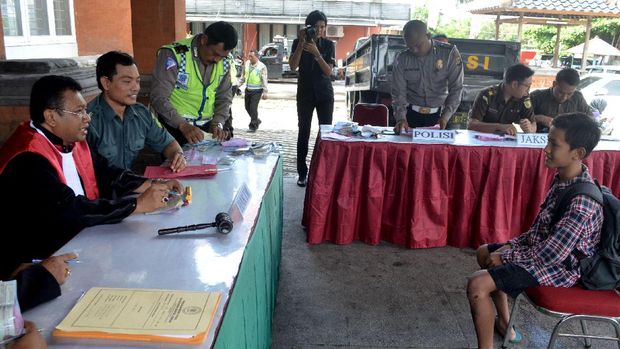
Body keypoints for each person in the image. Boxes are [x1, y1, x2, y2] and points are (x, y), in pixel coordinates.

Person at [0, 75, 183, 295]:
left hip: (79, 244)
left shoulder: (70, 142)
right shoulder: (27, 157)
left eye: (85, 111)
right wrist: (136, 205)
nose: (87, 118)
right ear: (51, 117)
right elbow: (70, 210)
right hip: (37, 265)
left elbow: (107, 173)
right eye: (78, 112)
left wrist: (152, 184)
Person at [466, 112, 603, 349]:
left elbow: (553, 255)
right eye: (547, 141)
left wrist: (507, 255)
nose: (546, 149)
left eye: (554, 144)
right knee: (483, 252)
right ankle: (505, 324)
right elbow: (538, 231)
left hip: (562, 270)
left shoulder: (582, 201)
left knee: (478, 285)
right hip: (544, 255)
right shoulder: (562, 180)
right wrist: (511, 247)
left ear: (577, 153)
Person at [86, 51, 186, 172]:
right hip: (103, 188)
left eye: (137, 81)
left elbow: (168, 143)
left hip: (131, 184)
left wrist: (178, 156)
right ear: (106, 83)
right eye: (127, 81)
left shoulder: (141, 114)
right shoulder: (87, 121)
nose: (135, 88)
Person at [151, 21, 238, 144]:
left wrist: (217, 123)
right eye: (215, 54)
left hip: (206, 128)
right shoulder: (174, 55)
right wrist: (182, 124)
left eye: (222, 57)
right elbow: (159, 97)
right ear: (204, 40)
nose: (217, 60)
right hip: (174, 127)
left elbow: (224, 98)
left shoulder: (224, 62)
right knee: (179, 162)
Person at [392, 20, 464, 134]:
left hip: (441, 117)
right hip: (410, 116)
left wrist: (445, 116)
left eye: (418, 45)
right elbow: (398, 92)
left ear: (428, 36)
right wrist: (401, 118)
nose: (414, 50)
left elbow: (456, 88)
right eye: (410, 47)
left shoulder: (449, 54)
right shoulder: (402, 59)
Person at [289, 10, 335, 187]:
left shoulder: (329, 45)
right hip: (305, 94)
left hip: (325, 94)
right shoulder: (297, 42)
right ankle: (302, 173)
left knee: (326, 134)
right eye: (315, 27)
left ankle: (324, 172)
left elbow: (328, 71)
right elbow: (293, 67)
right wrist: (301, 43)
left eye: (322, 27)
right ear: (308, 27)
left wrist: (317, 53)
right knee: (304, 132)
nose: (319, 31)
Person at [468, 63, 537, 135]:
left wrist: (529, 129)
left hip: (506, 142)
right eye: (527, 86)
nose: (528, 90)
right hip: (481, 140)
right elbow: (472, 124)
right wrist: (500, 127)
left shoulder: (524, 98)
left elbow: (533, 125)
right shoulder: (487, 95)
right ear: (514, 85)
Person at [530, 68, 591, 133]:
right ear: (554, 84)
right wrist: (539, 118)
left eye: (569, 94)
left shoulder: (577, 97)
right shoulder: (536, 96)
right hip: (539, 138)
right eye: (560, 92)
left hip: (568, 139)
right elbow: (520, 118)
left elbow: (590, 116)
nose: (564, 97)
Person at [240, 49, 268, 132]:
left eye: (251, 56)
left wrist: (265, 92)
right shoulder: (247, 64)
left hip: (257, 91)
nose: (250, 58)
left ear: (256, 57)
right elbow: (243, 77)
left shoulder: (262, 66)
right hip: (248, 89)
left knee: (253, 108)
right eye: (249, 56)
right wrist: (237, 85)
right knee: (247, 107)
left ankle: (253, 126)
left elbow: (264, 80)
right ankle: (256, 120)